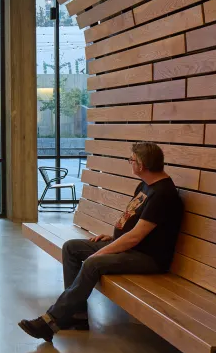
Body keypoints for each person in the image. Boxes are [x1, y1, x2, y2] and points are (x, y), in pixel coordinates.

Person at [18, 142, 183, 341]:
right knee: (72, 247)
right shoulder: (146, 185)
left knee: (93, 262)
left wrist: (103, 251)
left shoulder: (163, 194)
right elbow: (135, 226)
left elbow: (136, 237)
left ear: (141, 165)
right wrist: (113, 238)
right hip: (131, 247)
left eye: (131, 160)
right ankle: (77, 316)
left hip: (147, 257)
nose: (130, 163)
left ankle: (51, 321)